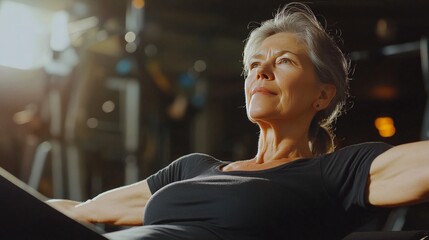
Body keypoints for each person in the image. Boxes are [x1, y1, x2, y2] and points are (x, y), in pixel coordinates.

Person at [47, 2, 429, 240]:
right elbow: (84, 210)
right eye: (252, 65)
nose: (260, 71)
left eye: (283, 61)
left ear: (323, 95)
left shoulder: (332, 175)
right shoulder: (192, 168)